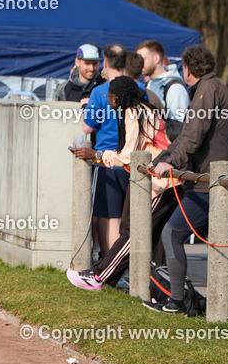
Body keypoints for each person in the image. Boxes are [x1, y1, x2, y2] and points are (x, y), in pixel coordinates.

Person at [146, 45, 228, 313]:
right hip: (213, 181)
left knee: (171, 233)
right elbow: (188, 134)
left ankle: (177, 301)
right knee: (220, 244)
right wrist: (162, 157)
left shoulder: (207, 90)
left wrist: (169, 162)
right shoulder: (217, 87)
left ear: (187, 70)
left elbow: (192, 136)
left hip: (207, 183)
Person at [66, 76, 176, 290]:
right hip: (163, 180)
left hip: (162, 183)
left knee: (132, 233)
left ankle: (99, 277)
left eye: (109, 96)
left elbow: (128, 157)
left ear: (115, 97)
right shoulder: (145, 108)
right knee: (141, 232)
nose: (108, 99)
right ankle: (154, 287)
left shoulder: (132, 112)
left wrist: (96, 154)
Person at [82, 43, 128, 258]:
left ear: (105, 63)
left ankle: (110, 265)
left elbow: (87, 127)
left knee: (110, 216)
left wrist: (84, 108)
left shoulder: (100, 92)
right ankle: (117, 262)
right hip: (131, 159)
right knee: (124, 216)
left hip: (105, 161)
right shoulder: (140, 90)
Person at [137, 40, 189, 127]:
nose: (139, 63)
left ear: (156, 59)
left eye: (143, 59)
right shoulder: (147, 85)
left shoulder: (175, 89)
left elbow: (178, 129)